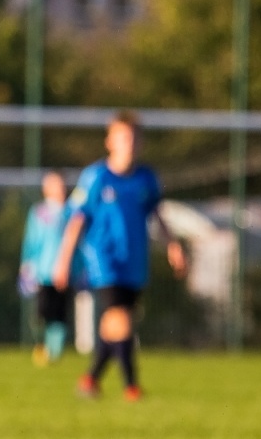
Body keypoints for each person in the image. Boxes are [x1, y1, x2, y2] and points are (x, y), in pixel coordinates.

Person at [52, 112, 186, 401]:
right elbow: (76, 220)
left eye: (135, 138)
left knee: (115, 325)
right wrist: (63, 261)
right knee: (121, 318)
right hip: (103, 260)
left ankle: (90, 380)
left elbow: (157, 214)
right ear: (110, 141)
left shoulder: (146, 179)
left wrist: (173, 245)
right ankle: (131, 386)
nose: (130, 143)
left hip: (134, 261)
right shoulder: (96, 177)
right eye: (124, 137)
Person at [18, 171, 77, 365]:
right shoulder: (39, 212)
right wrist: (27, 265)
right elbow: (31, 240)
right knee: (41, 312)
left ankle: (54, 352)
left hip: (66, 272)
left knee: (60, 314)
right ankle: (42, 345)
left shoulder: (72, 212)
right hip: (43, 271)